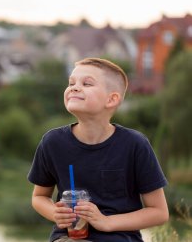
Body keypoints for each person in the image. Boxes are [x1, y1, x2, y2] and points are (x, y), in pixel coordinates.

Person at [27, 58, 169, 242]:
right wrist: (55, 213)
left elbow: (159, 212)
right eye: (71, 83)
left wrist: (106, 222)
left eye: (86, 83)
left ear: (111, 99)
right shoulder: (52, 142)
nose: (74, 87)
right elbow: (39, 197)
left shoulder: (135, 144)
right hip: (68, 238)